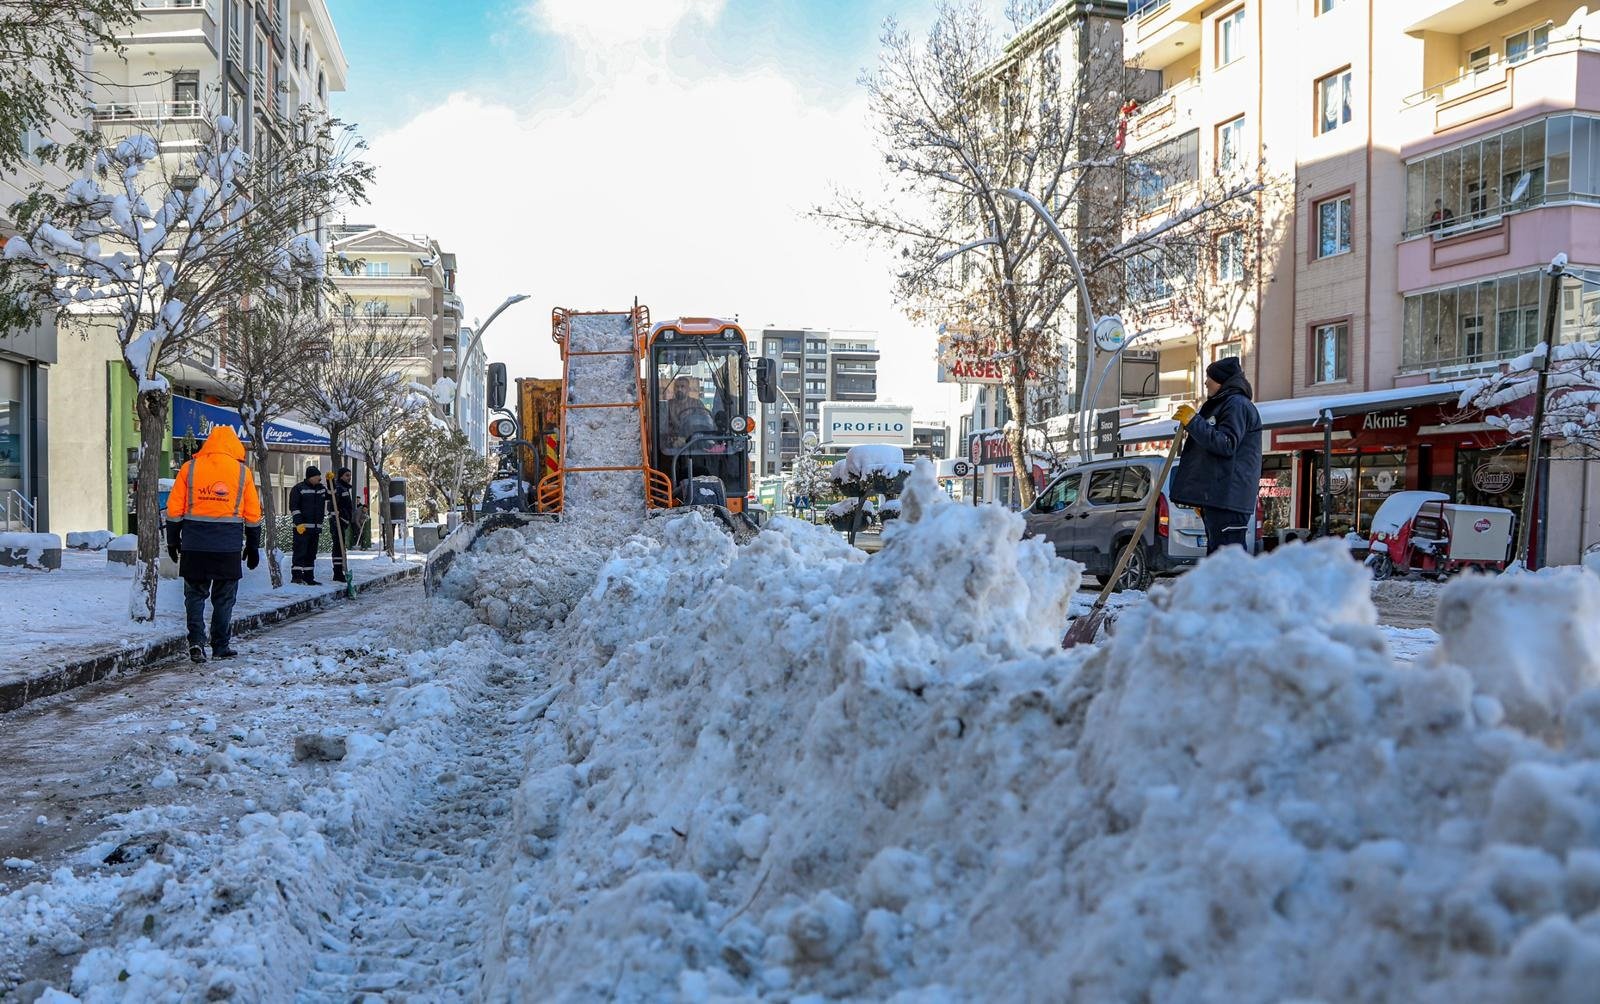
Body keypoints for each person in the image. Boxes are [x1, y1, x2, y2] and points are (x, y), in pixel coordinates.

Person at [165, 426, 262, 663]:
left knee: (195, 595)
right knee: (224, 598)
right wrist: (252, 545)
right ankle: (221, 645)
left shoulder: (190, 468)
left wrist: (172, 540)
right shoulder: (242, 472)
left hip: (194, 543)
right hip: (227, 546)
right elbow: (252, 514)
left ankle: (196, 642)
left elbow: (174, 508)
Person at [1169, 355, 1263, 555]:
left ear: (1220, 379)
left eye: (1208, 377)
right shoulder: (1226, 404)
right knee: (1218, 562)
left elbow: (1226, 444)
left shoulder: (1236, 405)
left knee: (1227, 563)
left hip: (1228, 500)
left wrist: (1194, 422)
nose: (1205, 382)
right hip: (1220, 498)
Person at [288, 465, 330, 585]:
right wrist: (298, 523)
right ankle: (296, 577)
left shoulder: (321, 489)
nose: (319, 479)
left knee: (311, 554)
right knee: (300, 552)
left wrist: (330, 481)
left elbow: (332, 495)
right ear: (311, 477)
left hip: (315, 528)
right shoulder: (299, 489)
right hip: (302, 528)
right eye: (318, 476)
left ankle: (308, 577)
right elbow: (294, 507)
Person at [329, 466, 364, 583]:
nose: (349, 478)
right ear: (341, 476)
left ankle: (341, 569)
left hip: (343, 521)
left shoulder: (344, 488)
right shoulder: (338, 488)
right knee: (338, 547)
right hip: (337, 521)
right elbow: (332, 503)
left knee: (341, 547)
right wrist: (338, 515)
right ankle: (337, 572)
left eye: (350, 475)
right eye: (347, 475)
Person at [665, 375, 714, 449]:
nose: (679, 389)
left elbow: (705, 422)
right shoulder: (668, 405)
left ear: (688, 389)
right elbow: (663, 427)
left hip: (694, 438)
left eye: (682, 387)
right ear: (674, 389)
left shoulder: (697, 403)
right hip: (676, 440)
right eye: (677, 387)